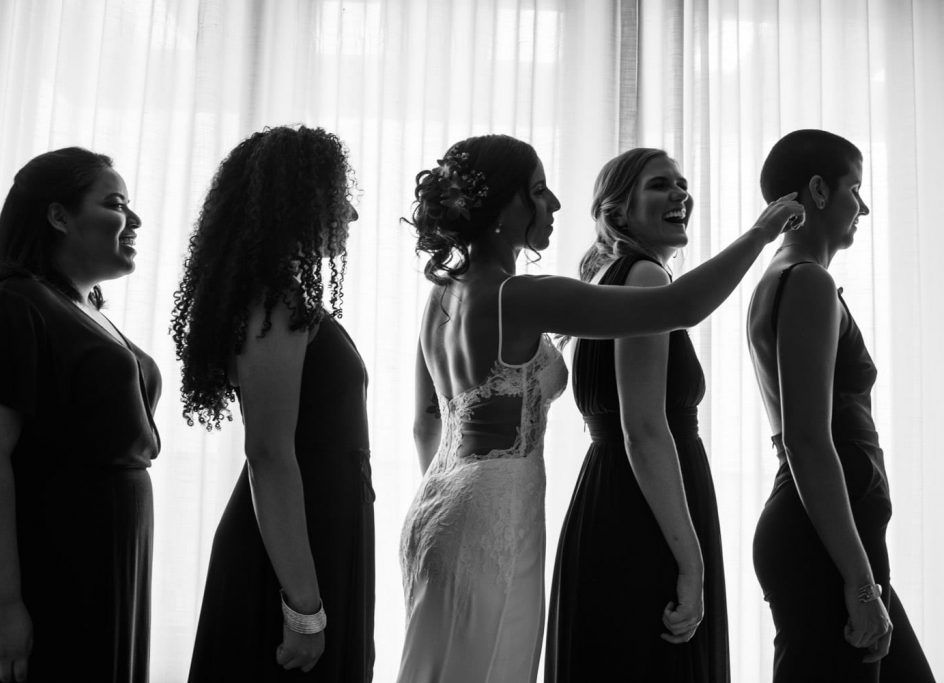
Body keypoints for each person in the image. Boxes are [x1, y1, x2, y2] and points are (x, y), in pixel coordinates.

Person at [397, 134, 803, 683]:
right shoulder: (518, 295)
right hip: (494, 517)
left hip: (440, 504)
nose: (556, 205)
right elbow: (679, 307)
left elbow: (427, 420)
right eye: (539, 192)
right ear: (501, 206)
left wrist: (461, 500)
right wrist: (761, 232)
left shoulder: (443, 293)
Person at [0, 148, 159, 683]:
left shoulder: (85, 310)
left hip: (96, 567)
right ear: (58, 216)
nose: (135, 220)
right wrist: (0, 604)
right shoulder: (13, 305)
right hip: (38, 567)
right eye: (116, 204)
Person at [174, 126, 373, 682]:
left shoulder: (284, 297)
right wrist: (303, 609)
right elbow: (268, 453)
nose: (351, 214)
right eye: (339, 197)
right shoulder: (275, 303)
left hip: (319, 529)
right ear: (301, 200)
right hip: (291, 548)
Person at [747, 129, 935, 682]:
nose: (865, 206)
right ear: (819, 191)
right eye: (856, 188)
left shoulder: (791, 279)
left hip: (835, 537)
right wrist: (858, 583)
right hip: (825, 544)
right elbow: (807, 440)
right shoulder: (805, 282)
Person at [546, 148, 729, 681]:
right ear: (619, 212)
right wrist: (692, 563)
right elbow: (645, 428)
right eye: (660, 185)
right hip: (645, 511)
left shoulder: (607, 276)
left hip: (609, 494)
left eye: (682, 183)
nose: (680, 194)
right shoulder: (646, 277)